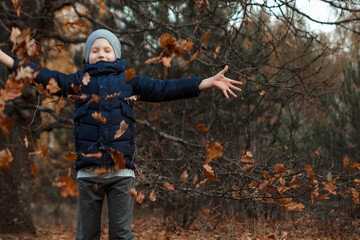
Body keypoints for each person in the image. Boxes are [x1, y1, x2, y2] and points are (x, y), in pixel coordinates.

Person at [0, 29, 242, 240]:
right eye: (95, 50)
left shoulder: (130, 82)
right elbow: (43, 76)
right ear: (87, 56)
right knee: (86, 235)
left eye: (107, 49)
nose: (101, 54)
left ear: (116, 54)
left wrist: (205, 82)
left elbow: (165, 89)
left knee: (122, 235)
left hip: (122, 174)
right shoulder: (77, 82)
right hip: (89, 174)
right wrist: (6, 59)